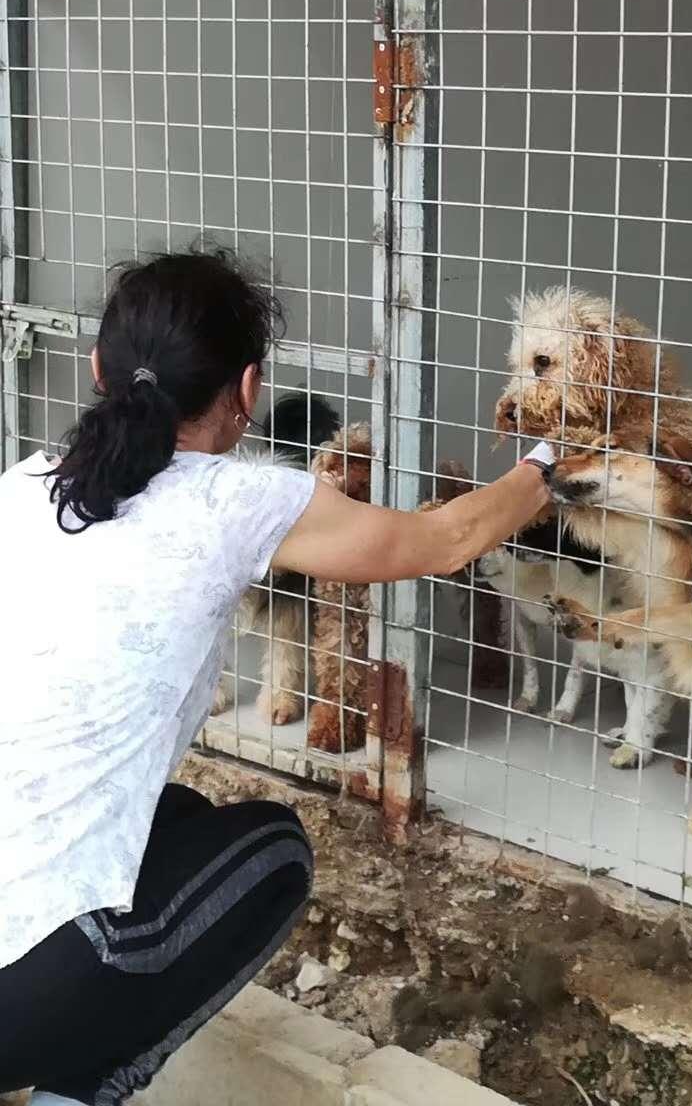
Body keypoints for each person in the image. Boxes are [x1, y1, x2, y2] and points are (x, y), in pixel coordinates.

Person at [0, 248, 552, 1106]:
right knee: (271, 852)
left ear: (96, 368)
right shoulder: (236, 498)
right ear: (248, 390)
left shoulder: (23, 488)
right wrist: (547, 465)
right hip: (26, 993)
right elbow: (443, 540)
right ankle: (82, 1092)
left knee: (173, 819)